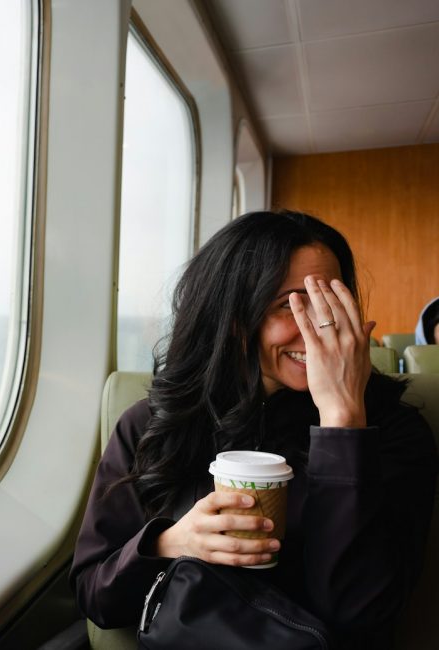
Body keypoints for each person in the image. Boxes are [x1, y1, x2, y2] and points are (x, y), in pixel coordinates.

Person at [70, 211, 437, 649]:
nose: (320, 328)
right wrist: (171, 543)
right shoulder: (153, 423)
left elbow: (360, 616)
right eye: (292, 304)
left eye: (333, 303)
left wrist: (342, 419)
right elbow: (96, 595)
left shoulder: (393, 431)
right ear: (234, 317)